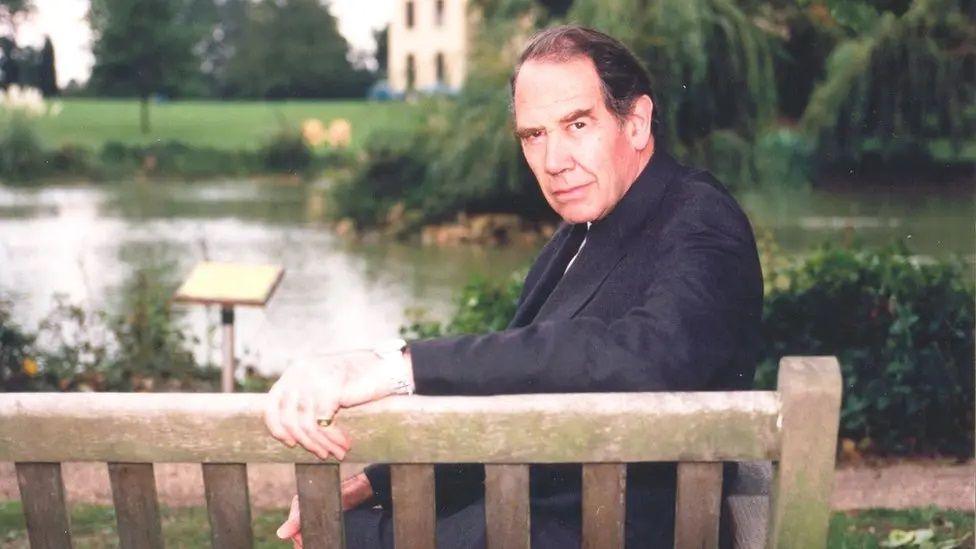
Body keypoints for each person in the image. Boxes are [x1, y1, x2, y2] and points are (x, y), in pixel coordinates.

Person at [264, 25, 763, 548]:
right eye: (534, 135)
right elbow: (518, 385)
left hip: (599, 531)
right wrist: (376, 482)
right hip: (529, 517)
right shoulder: (579, 232)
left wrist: (395, 367)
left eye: (576, 124)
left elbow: (643, 356)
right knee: (329, 527)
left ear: (635, 122)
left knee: (331, 536)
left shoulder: (698, 215)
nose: (553, 162)